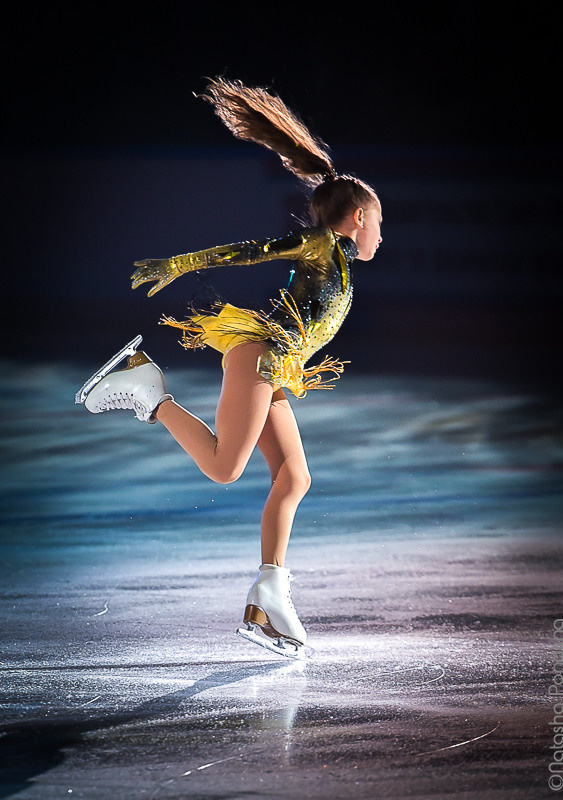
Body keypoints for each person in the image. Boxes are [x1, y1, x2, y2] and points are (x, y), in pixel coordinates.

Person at [76, 78, 382, 658]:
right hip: (261, 356)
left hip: (275, 366)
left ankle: (270, 591)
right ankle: (149, 391)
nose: (381, 238)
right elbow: (252, 250)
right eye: (380, 226)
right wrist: (181, 263)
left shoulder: (338, 261)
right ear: (361, 217)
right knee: (225, 468)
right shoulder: (322, 245)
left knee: (294, 478)